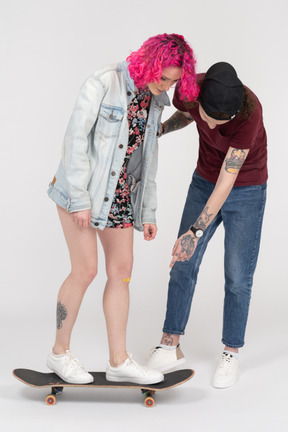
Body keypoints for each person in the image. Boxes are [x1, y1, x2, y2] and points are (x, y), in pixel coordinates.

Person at [46, 34, 198, 385]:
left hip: (121, 196)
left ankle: (119, 361)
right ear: (148, 61)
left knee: (122, 271)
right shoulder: (104, 82)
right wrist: (81, 200)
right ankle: (58, 353)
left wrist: (147, 211)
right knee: (85, 270)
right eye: (163, 77)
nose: (166, 86)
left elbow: (147, 159)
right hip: (80, 191)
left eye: (174, 81)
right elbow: (75, 141)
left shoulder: (155, 98)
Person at [146, 62, 267, 388]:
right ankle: (170, 343)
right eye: (211, 118)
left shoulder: (248, 114)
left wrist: (195, 232)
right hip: (203, 181)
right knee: (182, 263)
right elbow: (187, 116)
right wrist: (160, 130)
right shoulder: (188, 92)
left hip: (246, 188)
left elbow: (228, 179)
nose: (214, 126)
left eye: (222, 122)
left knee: (238, 276)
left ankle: (230, 352)